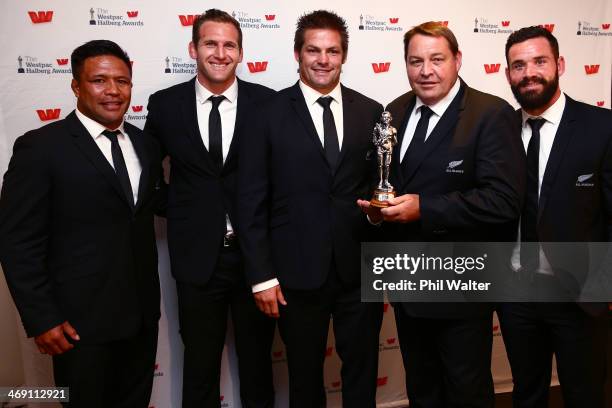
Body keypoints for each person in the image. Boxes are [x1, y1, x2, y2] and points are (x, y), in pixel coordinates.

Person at [358, 22, 524, 407]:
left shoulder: (490, 113)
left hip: (461, 287)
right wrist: (378, 213)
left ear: (457, 61)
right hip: (409, 284)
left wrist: (424, 208)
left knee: (466, 390)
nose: (425, 70)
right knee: (422, 389)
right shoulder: (394, 112)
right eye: (415, 61)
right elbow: (384, 183)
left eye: (436, 59)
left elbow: (503, 201)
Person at [0, 40, 162, 408]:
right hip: (78, 325)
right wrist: (42, 318)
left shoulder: (144, 144)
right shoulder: (40, 148)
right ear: (76, 85)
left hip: (140, 318)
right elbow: (17, 241)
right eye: (99, 81)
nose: (113, 91)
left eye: (122, 81)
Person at [237, 10, 384, 408]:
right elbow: (249, 201)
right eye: (313, 50)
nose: (323, 60)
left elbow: (382, 185)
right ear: (298, 54)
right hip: (295, 272)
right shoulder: (265, 114)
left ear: (344, 55)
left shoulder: (372, 112)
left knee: (362, 370)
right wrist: (261, 276)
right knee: (303, 377)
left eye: (332, 51)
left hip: (358, 271)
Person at [143, 9, 276, 408]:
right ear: (194, 49)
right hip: (198, 260)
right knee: (200, 366)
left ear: (240, 52)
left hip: (257, 260)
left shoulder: (267, 103)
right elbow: (146, 177)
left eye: (229, 45)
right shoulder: (165, 105)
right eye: (210, 43)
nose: (220, 53)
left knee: (258, 365)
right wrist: (184, 211)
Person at [498, 25, 611, 408]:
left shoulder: (602, 128)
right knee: (526, 395)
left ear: (560, 64)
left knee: (585, 395)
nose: (529, 72)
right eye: (518, 65)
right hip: (517, 293)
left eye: (539, 61)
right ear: (508, 74)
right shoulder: (500, 130)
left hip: (580, 293)